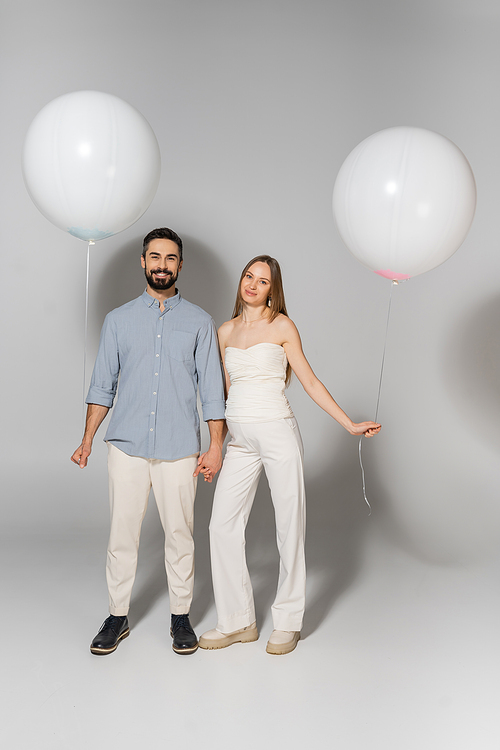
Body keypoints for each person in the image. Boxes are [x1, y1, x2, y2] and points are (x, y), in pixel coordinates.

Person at [197, 255, 380, 655]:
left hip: (278, 431)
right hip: (239, 441)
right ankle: (237, 620)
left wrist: (348, 424)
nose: (253, 284)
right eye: (249, 276)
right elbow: (222, 395)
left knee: (288, 526)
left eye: (262, 281)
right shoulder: (224, 331)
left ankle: (288, 622)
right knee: (221, 527)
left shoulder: (282, 326)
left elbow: (309, 380)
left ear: (272, 290)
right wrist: (215, 447)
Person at [71, 227, 225, 656]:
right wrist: (86, 440)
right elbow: (102, 386)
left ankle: (181, 616)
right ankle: (117, 616)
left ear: (180, 264)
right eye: (154, 257)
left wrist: (215, 446)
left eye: (170, 258)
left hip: (181, 449)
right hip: (126, 446)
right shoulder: (118, 320)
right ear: (143, 262)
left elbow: (212, 391)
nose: (161, 265)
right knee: (122, 534)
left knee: (181, 535)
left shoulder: (199, 322)